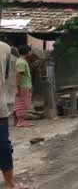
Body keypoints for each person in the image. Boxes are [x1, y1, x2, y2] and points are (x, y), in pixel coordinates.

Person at [0, 41, 29, 188]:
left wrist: (10, 101)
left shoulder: (4, 48)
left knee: (3, 147)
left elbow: (8, 77)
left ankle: (9, 183)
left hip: (0, 109)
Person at [13, 47, 32, 129]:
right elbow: (18, 75)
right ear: (27, 52)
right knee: (23, 103)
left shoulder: (21, 61)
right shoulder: (21, 62)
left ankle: (17, 121)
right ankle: (20, 122)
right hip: (23, 86)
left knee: (19, 103)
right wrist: (17, 87)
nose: (31, 52)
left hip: (24, 85)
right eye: (30, 51)